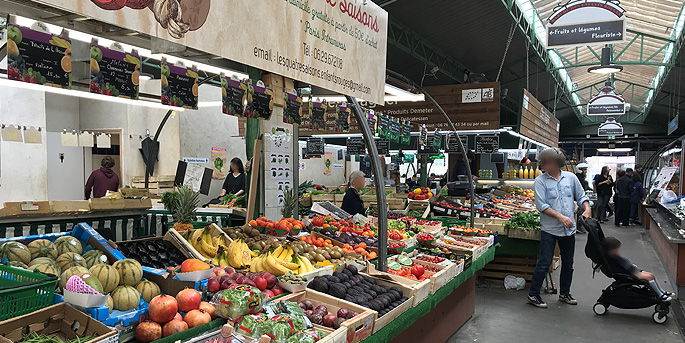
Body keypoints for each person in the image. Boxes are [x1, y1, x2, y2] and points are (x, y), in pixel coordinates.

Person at [527, 148, 590, 308]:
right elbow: (542, 206)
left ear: (554, 163)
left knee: (568, 263)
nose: (542, 165)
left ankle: (565, 293)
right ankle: (533, 295)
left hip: (568, 230)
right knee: (545, 261)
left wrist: (587, 208)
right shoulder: (540, 181)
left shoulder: (570, 178)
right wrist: (561, 217)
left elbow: (581, 195)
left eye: (545, 162)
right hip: (549, 229)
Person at [603, 236, 673, 301]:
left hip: (631, 270)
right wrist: (631, 266)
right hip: (631, 272)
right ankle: (660, 295)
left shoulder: (612, 256)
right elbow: (623, 265)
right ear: (612, 249)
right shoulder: (614, 257)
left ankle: (662, 292)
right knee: (649, 277)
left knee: (651, 275)